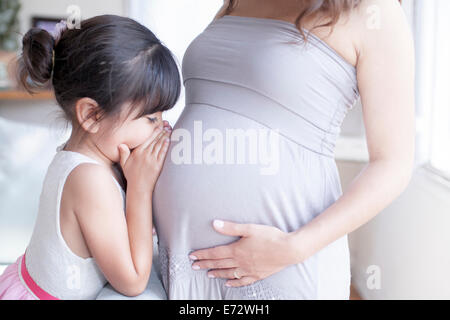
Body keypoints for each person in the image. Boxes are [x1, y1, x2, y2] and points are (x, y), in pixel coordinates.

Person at [152, 0, 415, 299]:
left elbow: (393, 164)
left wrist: (294, 248)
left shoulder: (375, 11)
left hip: (282, 263)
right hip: (186, 259)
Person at [0, 15, 180, 300]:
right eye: (151, 118)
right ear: (92, 115)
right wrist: (140, 189)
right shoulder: (89, 179)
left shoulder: (92, 159)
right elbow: (132, 281)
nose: (162, 129)